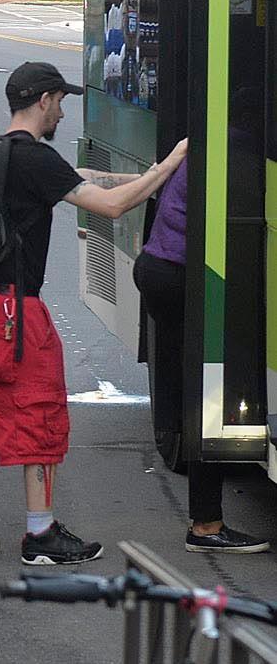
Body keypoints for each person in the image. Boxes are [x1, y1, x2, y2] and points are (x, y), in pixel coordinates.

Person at [0, 62, 188, 568]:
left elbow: (85, 178)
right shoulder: (34, 159)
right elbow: (113, 205)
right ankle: (40, 533)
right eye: (61, 100)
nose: (63, 110)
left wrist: (146, 172)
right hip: (13, 310)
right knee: (38, 409)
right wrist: (170, 167)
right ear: (44, 100)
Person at [133, 158, 267, 554]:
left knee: (198, 390)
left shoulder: (214, 140)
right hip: (179, 275)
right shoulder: (238, 151)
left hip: (160, 268)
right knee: (213, 395)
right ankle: (206, 525)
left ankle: (203, 513)